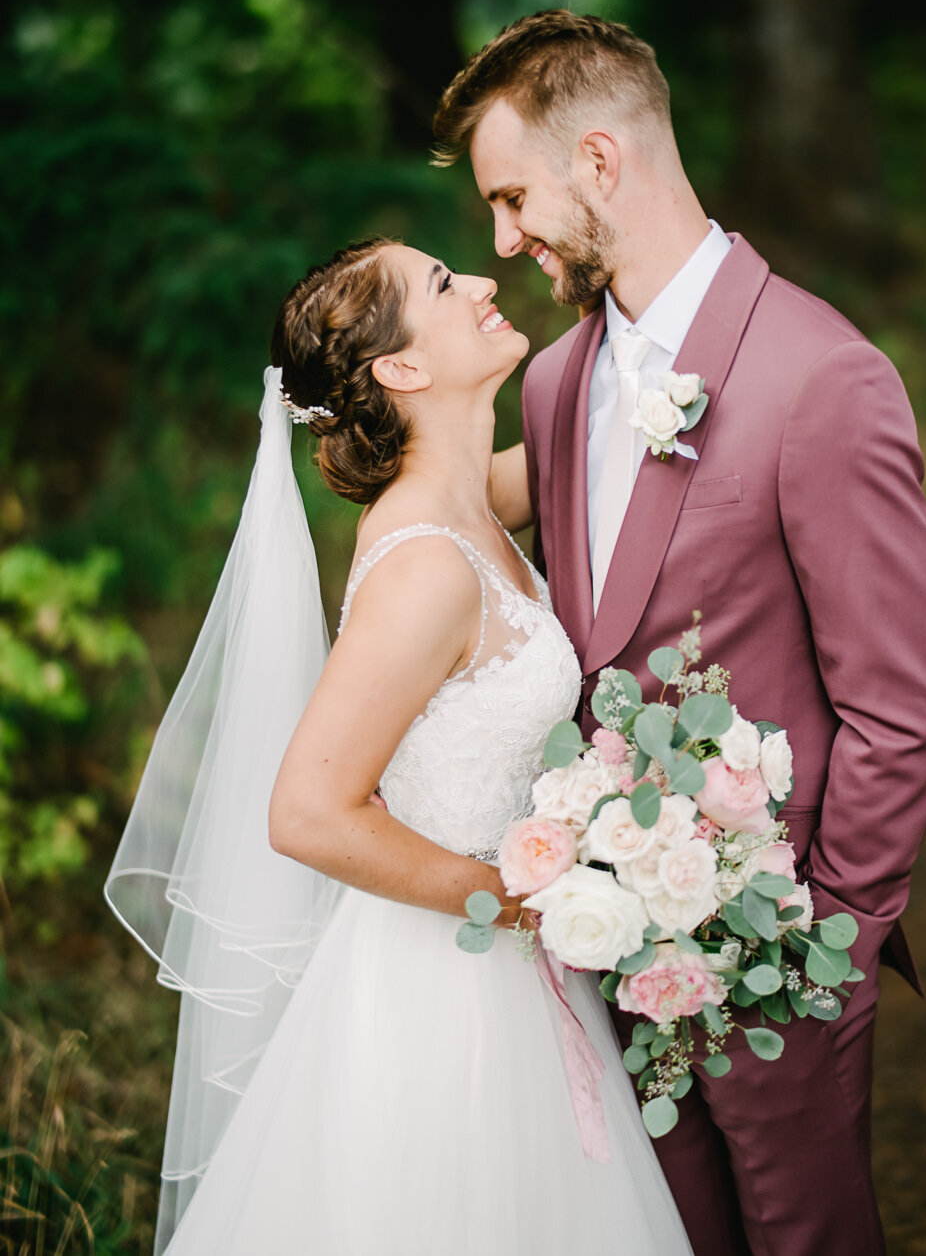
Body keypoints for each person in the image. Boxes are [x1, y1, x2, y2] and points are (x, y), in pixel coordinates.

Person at [436, 9, 926, 1256]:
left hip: (780, 957)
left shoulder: (821, 375)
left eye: (513, 199)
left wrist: (823, 948)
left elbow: (898, 712)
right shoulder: (556, 385)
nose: (504, 242)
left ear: (601, 163)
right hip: (609, 948)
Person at [107, 241, 693, 1252]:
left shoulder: (475, 503)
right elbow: (306, 813)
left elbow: (591, 454)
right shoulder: (426, 564)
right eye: (442, 284)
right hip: (445, 999)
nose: (482, 283)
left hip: (515, 970)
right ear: (401, 370)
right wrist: (519, 896)